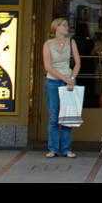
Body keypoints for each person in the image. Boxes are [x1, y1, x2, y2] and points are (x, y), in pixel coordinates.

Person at [42, 17, 80, 158]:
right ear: (56, 27)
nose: (66, 27)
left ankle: (66, 149)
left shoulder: (71, 42)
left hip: (68, 82)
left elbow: (77, 63)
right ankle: (53, 149)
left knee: (67, 117)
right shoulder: (48, 44)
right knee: (54, 116)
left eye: (67, 25)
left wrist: (72, 78)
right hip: (53, 82)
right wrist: (64, 78)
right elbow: (47, 66)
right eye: (63, 25)